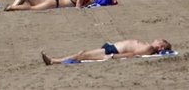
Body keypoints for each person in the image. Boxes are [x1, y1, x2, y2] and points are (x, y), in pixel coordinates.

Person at [42, 38, 172, 65]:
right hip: (111, 48)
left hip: (112, 51)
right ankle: (55, 61)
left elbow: (133, 54)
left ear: (161, 47)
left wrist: (113, 56)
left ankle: (53, 61)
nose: (157, 39)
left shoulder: (150, 48)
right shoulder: (149, 46)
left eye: (160, 41)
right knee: (82, 53)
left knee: (82, 54)